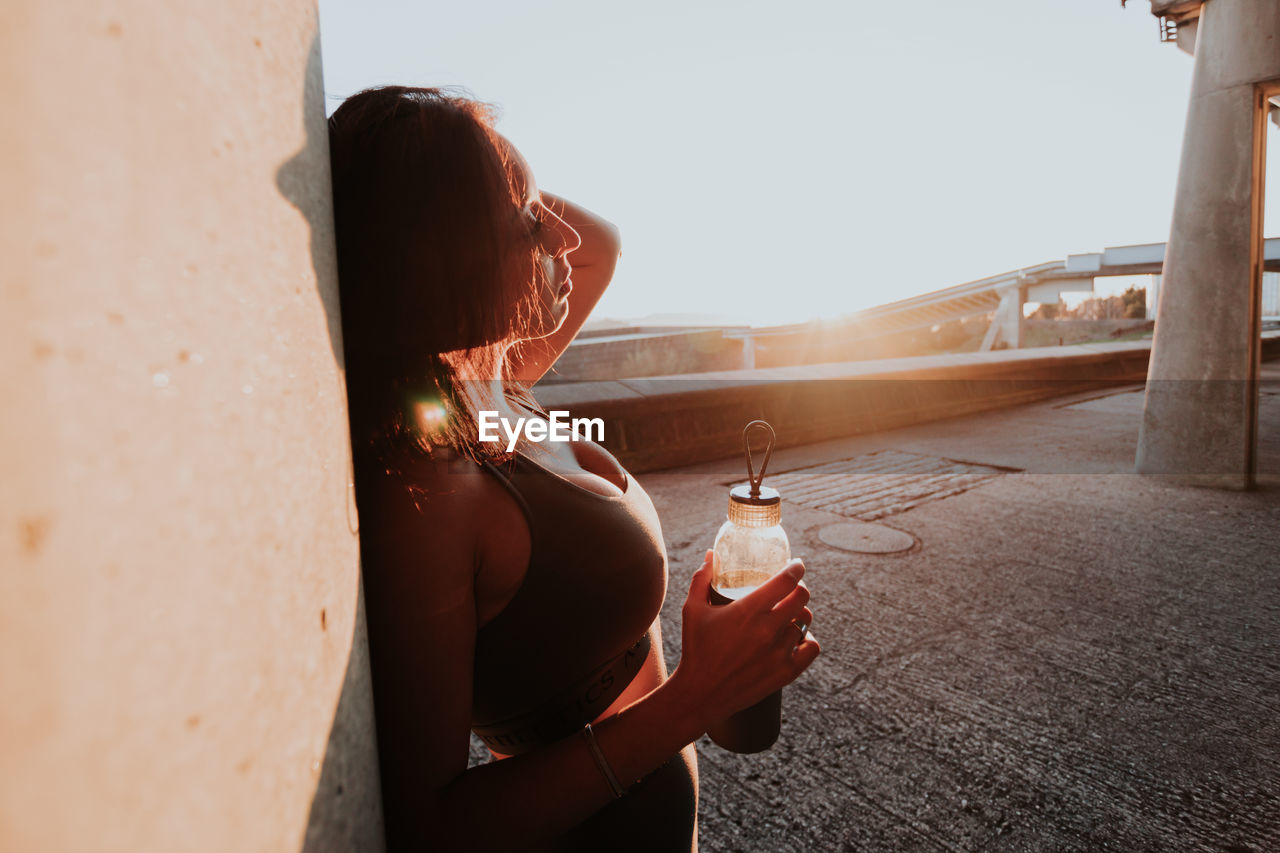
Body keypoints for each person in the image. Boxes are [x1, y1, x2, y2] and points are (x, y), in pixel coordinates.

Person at [328, 85, 819, 852]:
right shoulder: (433, 493)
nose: (560, 234)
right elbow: (430, 827)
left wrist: (478, 159)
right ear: (448, 250)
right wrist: (697, 696)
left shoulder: (491, 381)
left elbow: (603, 242)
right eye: (526, 217)